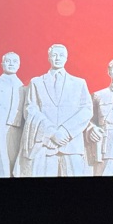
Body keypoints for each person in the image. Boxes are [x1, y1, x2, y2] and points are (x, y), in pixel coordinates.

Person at [14, 44, 92, 177]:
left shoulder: (79, 83)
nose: (58, 58)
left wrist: (65, 131)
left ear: (66, 58)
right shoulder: (36, 82)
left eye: (61, 55)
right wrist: (51, 132)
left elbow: (87, 110)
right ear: (49, 57)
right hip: (45, 144)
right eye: (54, 55)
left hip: (71, 144)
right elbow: (30, 109)